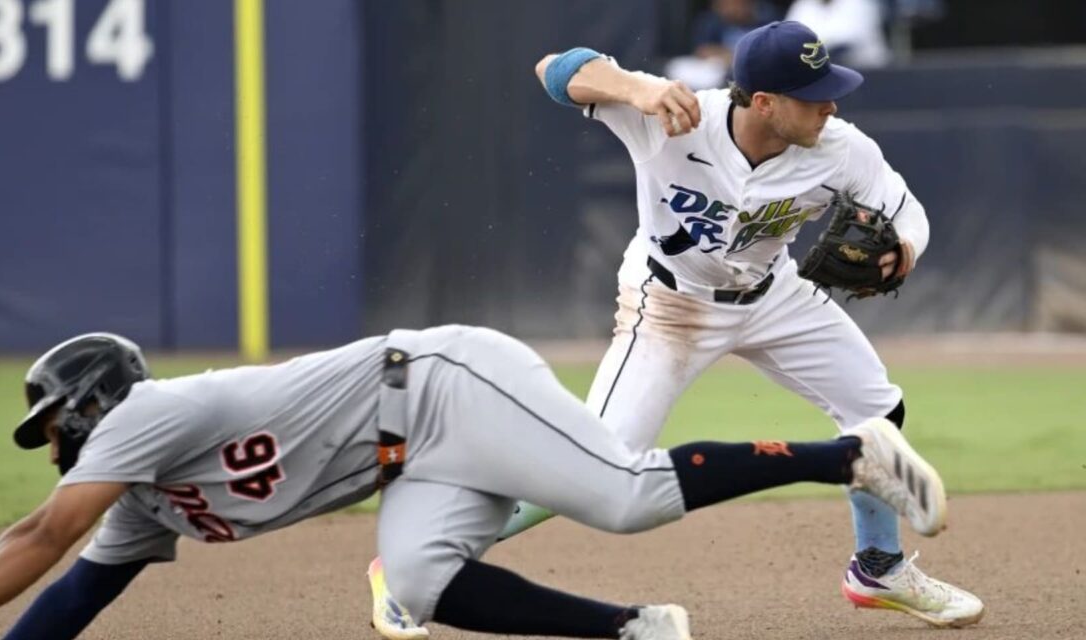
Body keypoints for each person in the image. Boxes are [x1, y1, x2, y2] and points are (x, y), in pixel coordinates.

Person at [366, 20, 984, 638]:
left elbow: (907, 212)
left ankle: (878, 569)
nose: (831, 103)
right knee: (590, 465)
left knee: (877, 410)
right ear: (764, 102)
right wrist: (633, 88)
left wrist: (902, 249)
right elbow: (554, 67)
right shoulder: (671, 116)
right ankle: (412, 561)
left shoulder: (842, 148)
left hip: (777, 296)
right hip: (670, 305)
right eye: (813, 93)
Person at [0, 326, 947, 640]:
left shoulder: (151, 413)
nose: (58, 439)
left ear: (97, 400)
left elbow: (38, 538)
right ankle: (634, 630)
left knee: (621, 494)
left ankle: (846, 454)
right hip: (411, 457)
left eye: (57, 418)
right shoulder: (139, 499)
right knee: (423, 581)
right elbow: (77, 591)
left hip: (441, 382)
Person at [786, 0, 891, 68]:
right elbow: (788, 37)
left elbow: (846, 42)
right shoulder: (803, 5)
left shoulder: (859, 4)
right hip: (819, 71)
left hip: (867, 71)